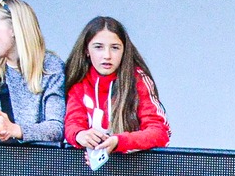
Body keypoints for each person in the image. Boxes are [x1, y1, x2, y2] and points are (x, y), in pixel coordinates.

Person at [64, 16, 171, 156]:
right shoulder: (79, 80)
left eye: (115, 48)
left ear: (124, 50)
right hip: (89, 173)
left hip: (135, 171)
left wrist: (119, 142)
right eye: (98, 47)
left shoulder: (138, 79)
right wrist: (79, 135)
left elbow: (160, 133)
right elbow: (72, 123)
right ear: (86, 50)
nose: (107, 55)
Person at [0, 0, 65, 144]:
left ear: (14, 29)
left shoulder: (51, 66)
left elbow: (56, 128)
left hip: (43, 162)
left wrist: (15, 130)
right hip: (2, 160)